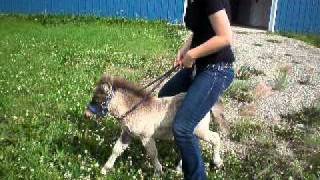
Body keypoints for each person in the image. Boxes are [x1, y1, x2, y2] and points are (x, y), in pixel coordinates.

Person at [158, 0, 235, 179]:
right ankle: (186, 148)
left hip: (217, 69)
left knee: (183, 127)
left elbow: (224, 37)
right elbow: (200, 30)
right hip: (198, 67)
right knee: (164, 97)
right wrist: (185, 49)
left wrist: (193, 54)